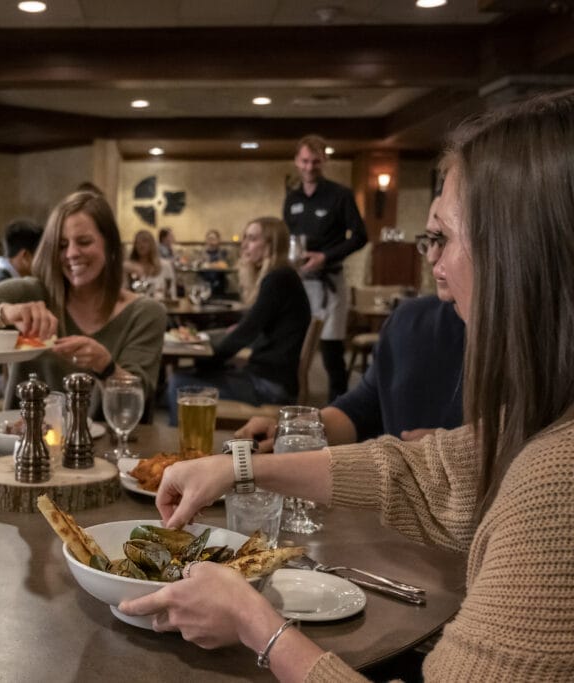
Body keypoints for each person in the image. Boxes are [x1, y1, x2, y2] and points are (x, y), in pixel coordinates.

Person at [121, 90, 574, 681]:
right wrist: (237, 468)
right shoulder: (544, 418)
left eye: (443, 238)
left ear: (515, 253)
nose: (435, 270)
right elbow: (422, 472)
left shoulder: (557, 482)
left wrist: (253, 621)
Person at [237, 198, 465, 450]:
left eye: (443, 239)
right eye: (430, 240)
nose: (432, 256)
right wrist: (290, 431)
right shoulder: (408, 320)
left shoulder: (514, 341)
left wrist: (468, 449)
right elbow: (362, 408)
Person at [0, 191, 167, 406]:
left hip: (109, 448)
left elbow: (139, 400)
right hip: (26, 445)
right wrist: (5, 312)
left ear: (110, 246)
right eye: (61, 245)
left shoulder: (145, 313)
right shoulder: (33, 293)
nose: (72, 253)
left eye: (84, 242)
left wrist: (105, 366)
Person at [166, 218, 311, 423]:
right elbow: (250, 326)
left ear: (272, 243)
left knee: (179, 384)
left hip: (270, 386)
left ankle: (186, 453)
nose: (243, 245)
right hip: (273, 379)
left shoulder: (278, 278)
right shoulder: (284, 276)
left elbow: (246, 332)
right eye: (245, 238)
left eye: (252, 239)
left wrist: (207, 361)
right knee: (193, 374)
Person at [283, 134, 368, 402]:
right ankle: (292, 404)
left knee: (332, 353)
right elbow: (288, 237)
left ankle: (340, 408)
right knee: (294, 348)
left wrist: (325, 257)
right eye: (305, 161)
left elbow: (359, 236)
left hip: (329, 283)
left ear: (325, 161)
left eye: (315, 162)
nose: (309, 167)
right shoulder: (292, 198)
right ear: (297, 161)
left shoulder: (339, 195)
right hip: (299, 284)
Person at [0, 218, 43, 289]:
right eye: (41, 257)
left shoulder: (2, 278)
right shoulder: (1, 284)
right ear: (25, 256)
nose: (44, 264)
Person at [125, 229, 177, 298]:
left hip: (161, 305)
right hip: (137, 306)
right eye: (137, 242)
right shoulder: (129, 267)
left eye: (145, 241)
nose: (141, 245)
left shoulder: (165, 265)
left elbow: (172, 292)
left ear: (152, 244)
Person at [198, 228, 230, 298]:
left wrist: (209, 265)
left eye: (213, 239)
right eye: (209, 239)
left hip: (219, 283)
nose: (211, 241)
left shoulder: (223, 252)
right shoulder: (201, 253)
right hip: (204, 283)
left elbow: (224, 265)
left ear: (218, 240)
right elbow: (198, 266)